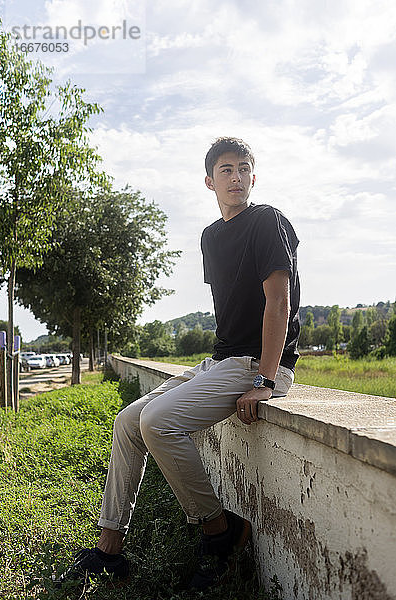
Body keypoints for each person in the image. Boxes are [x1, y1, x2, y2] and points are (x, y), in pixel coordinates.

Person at [55, 136, 300, 591]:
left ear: (254, 176)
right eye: (226, 169)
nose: (236, 176)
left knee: (159, 421)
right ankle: (110, 548)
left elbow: (278, 299)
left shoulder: (267, 221)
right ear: (209, 181)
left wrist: (266, 377)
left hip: (255, 364)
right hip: (221, 360)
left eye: (244, 168)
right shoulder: (211, 236)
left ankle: (220, 533)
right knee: (128, 420)